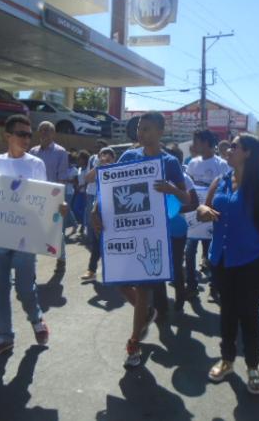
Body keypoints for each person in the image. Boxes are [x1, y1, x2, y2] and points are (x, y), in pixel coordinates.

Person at [91, 111, 190, 368]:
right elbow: (109, 189)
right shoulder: (128, 156)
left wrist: (170, 189)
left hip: (152, 234)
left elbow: (186, 199)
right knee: (119, 281)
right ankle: (147, 313)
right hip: (125, 231)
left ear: (160, 132)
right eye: (139, 129)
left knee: (144, 288)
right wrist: (96, 209)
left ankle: (134, 342)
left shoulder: (170, 163)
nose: (141, 133)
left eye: (147, 128)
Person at [197, 133, 259, 394]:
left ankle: (253, 366)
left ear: (248, 153)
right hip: (221, 260)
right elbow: (202, 210)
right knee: (228, 313)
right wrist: (203, 211)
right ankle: (227, 360)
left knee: (249, 314)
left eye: (234, 147)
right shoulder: (220, 181)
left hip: (251, 261)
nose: (228, 149)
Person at [0, 114, 67, 359]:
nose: (27, 138)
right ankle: (4, 337)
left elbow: (43, 199)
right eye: (22, 134)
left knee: (24, 289)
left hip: (26, 236)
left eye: (29, 134)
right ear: (7, 136)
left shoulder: (35, 164)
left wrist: (58, 208)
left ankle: (36, 318)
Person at [185, 130, 230, 301]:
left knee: (213, 254)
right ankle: (191, 286)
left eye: (197, 141)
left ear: (207, 143)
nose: (195, 145)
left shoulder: (222, 164)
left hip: (212, 217)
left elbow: (225, 189)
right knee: (189, 252)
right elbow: (188, 188)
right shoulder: (191, 163)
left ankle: (214, 287)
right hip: (194, 216)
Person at [153, 144, 198, 313]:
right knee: (158, 267)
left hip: (177, 229)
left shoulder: (185, 179)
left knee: (176, 267)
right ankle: (161, 307)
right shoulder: (152, 175)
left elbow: (194, 203)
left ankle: (180, 298)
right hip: (156, 229)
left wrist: (175, 209)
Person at [29, 121, 68, 274]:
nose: (44, 133)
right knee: (32, 229)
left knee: (55, 230)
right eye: (42, 130)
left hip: (53, 197)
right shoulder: (33, 151)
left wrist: (59, 199)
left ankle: (61, 258)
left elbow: (62, 177)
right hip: (34, 197)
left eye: (47, 130)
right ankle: (31, 263)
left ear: (53, 133)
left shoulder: (61, 152)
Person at [80, 147, 117, 282]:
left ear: (114, 159)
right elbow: (87, 178)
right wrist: (98, 166)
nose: (105, 158)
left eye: (109, 156)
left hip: (115, 211)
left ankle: (117, 270)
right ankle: (92, 270)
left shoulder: (119, 170)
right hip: (99, 209)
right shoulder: (98, 169)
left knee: (114, 241)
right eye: (103, 155)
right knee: (97, 240)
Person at [63, 152, 79, 236]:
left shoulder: (74, 169)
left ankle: (71, 225)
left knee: (66, 209)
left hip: (69, 191)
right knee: (67, 209)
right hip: (62, 191)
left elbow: (76, 182)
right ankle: (75, 224)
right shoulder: (63, 168)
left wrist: (67, 180)